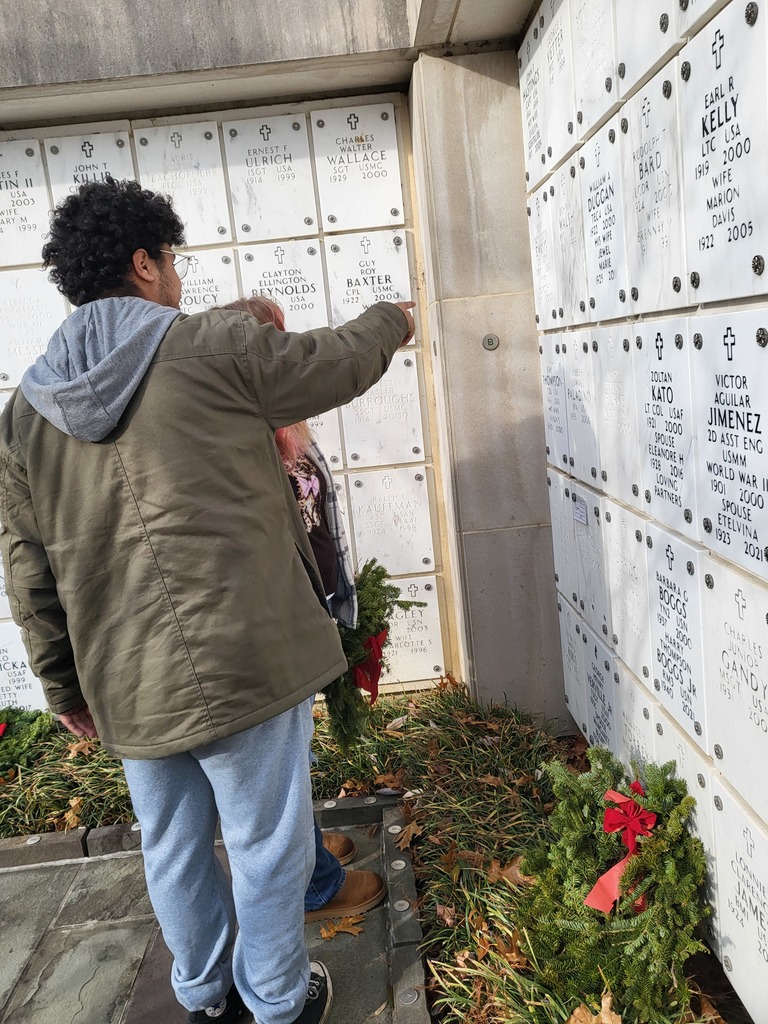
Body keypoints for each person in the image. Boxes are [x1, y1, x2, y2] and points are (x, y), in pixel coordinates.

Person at [0, 177, 414, 1024]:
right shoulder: (211, 347)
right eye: (172, 259)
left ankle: (204, 997)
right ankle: (280, 1003)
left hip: (125, 680)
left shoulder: (23, 416)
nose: (179, 277)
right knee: (267, 848)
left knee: (174, 848)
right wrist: (394, 318)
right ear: (144, 263)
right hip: (243, 660)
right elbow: (331, 361)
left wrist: (61, 685)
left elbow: (26, 565)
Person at [222, 296, 381, 924]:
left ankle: (310, 848)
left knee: (295, 757)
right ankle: (313, 884)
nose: (286, 358)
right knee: (276, 772)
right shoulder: (238, 431)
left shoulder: (289, 423)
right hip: (278, 618)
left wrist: (340, 599)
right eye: (273, 346)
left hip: (312, 604)